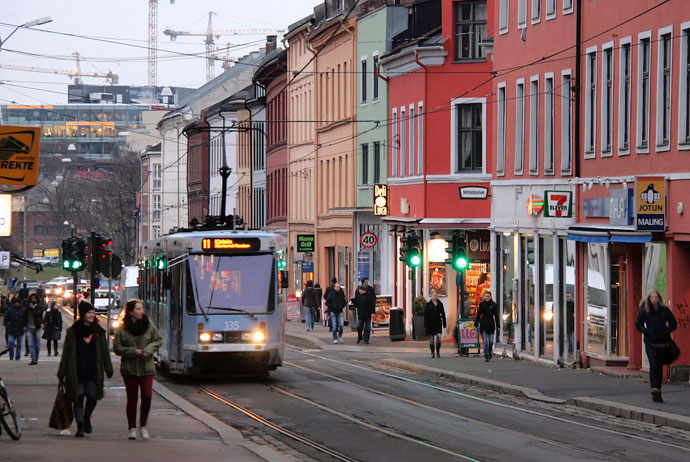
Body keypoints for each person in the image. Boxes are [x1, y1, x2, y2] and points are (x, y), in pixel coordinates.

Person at [57, 300, 113, 437]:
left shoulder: (99, 333)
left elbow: (105, 353)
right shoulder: (73, 332)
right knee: (78, 397)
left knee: (93, 397)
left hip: (93, 372)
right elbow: (66, 353)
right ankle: (80, 425)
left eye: (93, 312)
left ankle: (87, 417)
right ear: (83, 314)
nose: (92, 315)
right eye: (89, 312)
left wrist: (108, 368)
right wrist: (61, 373)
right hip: (76, 372)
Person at [114, 299, 162, 441]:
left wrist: (147, 350)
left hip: (147, 368)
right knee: (132, 398)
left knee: (147, 396)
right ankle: (132, 428)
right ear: (131, 312)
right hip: (130, 369)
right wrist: (133, 352)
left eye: (142, 309)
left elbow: (158, 340)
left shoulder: (149, 327)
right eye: (138, 309)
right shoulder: (121, 330)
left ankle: (143, 425)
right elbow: (117, 348)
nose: (142, 311)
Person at [636, 290, 677, 403]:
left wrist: (666, 331)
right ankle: (654, 388)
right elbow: (638, 324)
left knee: (659, 366)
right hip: (650, 342)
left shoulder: (664, 310)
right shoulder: (646, 311)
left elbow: (673, 323)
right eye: (652, 297)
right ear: (649, 299)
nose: (654, 299)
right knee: (654, 365)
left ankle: (657, 389)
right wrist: (646, 331)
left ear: (659, 298)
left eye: (656, 297)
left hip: (662, 342)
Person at [475, 291, 500, 361]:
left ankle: (489, 352)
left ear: (490, 297)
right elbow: (478, 314)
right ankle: (487, 356)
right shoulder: (482, 304)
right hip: (483, 324)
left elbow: (496, 316)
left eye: (488, 296)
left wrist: (498, 325)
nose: (487, 298)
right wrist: (476, 323)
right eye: (486, 296)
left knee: (491, 341)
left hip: (491, 324)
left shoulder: (494, 305)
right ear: (484, 297)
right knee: (485, 342)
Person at [23, 293, 45, 365]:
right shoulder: (27, 307)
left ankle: (36, 357)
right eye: (32, 299)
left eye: (34, 299)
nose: (33, 300)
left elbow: (38, 314)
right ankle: (33, 359)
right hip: (29, 328)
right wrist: (24, 325)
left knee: (37, 345)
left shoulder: (39, 307)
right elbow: (24, 316)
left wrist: (32, 308)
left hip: (37, 327)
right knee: (30, 344)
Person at [424, 290, 446, 358]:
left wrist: (444, 323)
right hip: (431, 324)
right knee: (431, 340)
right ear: (431, 296)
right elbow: (426, 315)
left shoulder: (440, 304)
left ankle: (438, 351)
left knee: (439, 337)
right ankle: (432, 352)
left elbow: (443, 314)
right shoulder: (428, 304)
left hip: (438, 323)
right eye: (433, 295)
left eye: (436, 295)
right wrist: (425, 324)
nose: (434, 296)